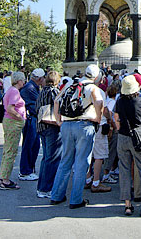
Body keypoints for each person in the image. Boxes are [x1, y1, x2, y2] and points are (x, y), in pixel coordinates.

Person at [51, 65, 104, 209]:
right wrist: (98, 117)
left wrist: (58, 121)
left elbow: (56, 101)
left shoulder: (70, 84)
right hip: (84, 125)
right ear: (96, 76)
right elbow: (99, 102)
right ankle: (76, 199)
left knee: (65, 161)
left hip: (67, 125)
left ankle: (56, 195)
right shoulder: (92, 88)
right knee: (81, 163)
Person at [114, 75, 141, 217]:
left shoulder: (119, 101)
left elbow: (116, 118)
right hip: (138, 137)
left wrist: (120, 129)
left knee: (124, 170)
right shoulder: (140, 100)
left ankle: (127, 205)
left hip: (123, 137)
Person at [35, 71, 62, 198]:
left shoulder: (42, 91)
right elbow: (59, 107)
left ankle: (41, 187)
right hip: (52, 126)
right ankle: (47, 188)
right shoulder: (54, 92)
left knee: (46, 158)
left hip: (42, 126)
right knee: (53, 158)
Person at [0, 71, 27, 190]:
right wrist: (20, 117)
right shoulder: (14, 91)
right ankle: (5, 179)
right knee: (11, 151)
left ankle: (3, 176)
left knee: (7, 149)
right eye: (23, 80)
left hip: (8, 121)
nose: (24, 82)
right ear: (19, 81)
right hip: (13, 123)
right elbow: (10, 108)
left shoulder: (10, 90)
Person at [18, 68, 46, 181]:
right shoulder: (30, 89)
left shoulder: (31, 87)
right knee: (29, 145)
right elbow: (39, 104)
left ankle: (29, 168)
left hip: (33, 119)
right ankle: (25, 171)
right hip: (31, 120)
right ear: (40, 79)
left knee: (33, 145)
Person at [85, 79, 111, 193]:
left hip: (86, 124)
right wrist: (108, 118)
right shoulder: (98, 91)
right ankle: (96, 182)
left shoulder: (81, 89)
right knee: (99, 155)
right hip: (99, 124)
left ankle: (87, 178)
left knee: (88, 154)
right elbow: (104, 109)